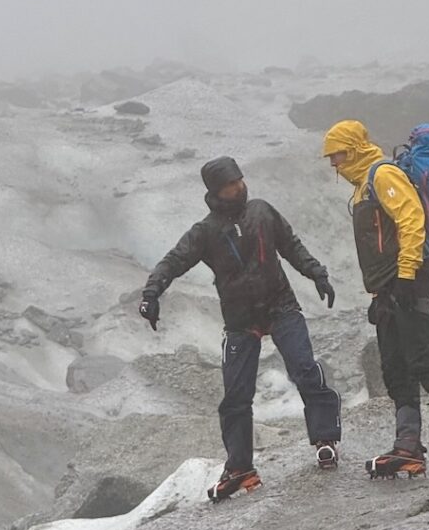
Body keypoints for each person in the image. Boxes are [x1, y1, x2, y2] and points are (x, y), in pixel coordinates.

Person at [139, 156, 342, 502]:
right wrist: (151, 293)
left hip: (281, 306)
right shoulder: (205, 231)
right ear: (217, 190)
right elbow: (174, 261)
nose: (240, 186)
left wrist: (317, 273)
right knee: (235, 397)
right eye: (232, 184)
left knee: (305, 369)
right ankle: (240, 468)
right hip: (239, 319)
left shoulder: (262, 212)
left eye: (240, 180)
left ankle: (326, 441)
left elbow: (291, 246)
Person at [321, 120, 429, 479]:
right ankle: (408, 446)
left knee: (424, 358)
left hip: (407, 281)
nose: (333, 163)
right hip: (386, 288)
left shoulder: (382, 175)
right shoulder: (363, 186)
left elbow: (411, 217)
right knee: (396, 368)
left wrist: (409, 273)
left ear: (351, 149)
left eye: (336, 155)